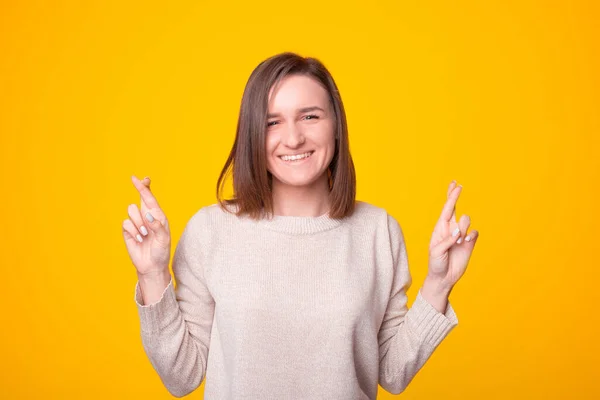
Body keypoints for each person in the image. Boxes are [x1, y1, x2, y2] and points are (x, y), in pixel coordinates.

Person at [122, 52, 479, 399]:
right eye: (271, 122)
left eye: (310, 117)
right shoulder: (209, 231)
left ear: (336, 126)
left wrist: (439, 284)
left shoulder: (377, 231)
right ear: (252, 136)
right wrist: (153, 274)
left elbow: (392, 373)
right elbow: (181, 377)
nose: (293, 138)